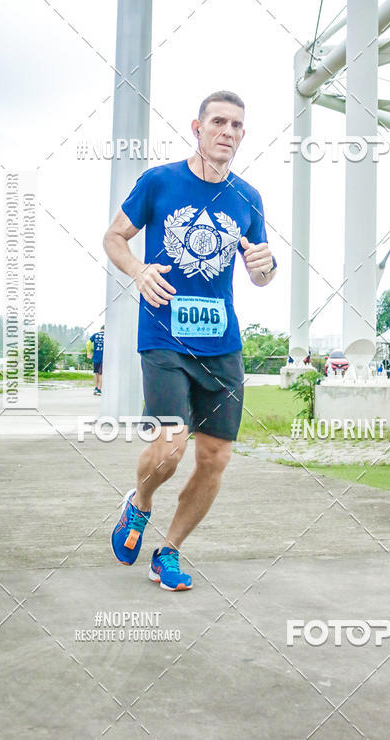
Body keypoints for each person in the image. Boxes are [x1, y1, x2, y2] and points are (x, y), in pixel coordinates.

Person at [103, 90, 277, 591]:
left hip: (221, 344)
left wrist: (265, 270)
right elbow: (115, 236)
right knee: (171, 444)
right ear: (196, 128)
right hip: (163, 333)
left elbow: (261, 268)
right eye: (218, 121)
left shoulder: (248, 198)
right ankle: (139, 505)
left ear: (243, 135)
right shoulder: (159, 182)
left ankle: (170, 551)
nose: (228, 131)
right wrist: (137, 270)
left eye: (237, 125)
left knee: (215, 456)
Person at [89, 326, 105, 395]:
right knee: (101, 373)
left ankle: (95, 388)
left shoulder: (95, 335)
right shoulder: (107, 335)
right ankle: (99, 389)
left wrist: (88, 352)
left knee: (96, 373)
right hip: (103, 357)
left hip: (95, 356)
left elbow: (88, 343)